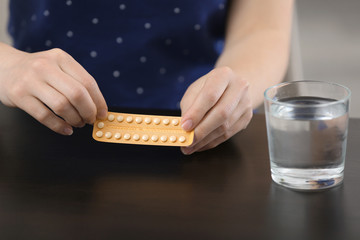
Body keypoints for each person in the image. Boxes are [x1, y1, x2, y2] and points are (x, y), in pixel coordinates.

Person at [0, 0, 294, 154]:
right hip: (40, 126)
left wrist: (236, 86)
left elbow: (263, 29)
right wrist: (7, 66)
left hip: (206, 135)